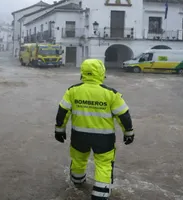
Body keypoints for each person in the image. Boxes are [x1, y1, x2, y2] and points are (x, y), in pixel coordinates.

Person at [54, 58, 134, 200]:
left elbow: (62, 111)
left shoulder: (73, 90)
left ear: (83, 72)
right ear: (102, 72)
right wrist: (128, 132)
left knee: (78, 160)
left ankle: (77, 184)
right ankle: (100, 195)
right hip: (104, 138)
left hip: (79, 136)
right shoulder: (111, 93)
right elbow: (124, 115)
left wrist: (59, 129)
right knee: (104, 165)